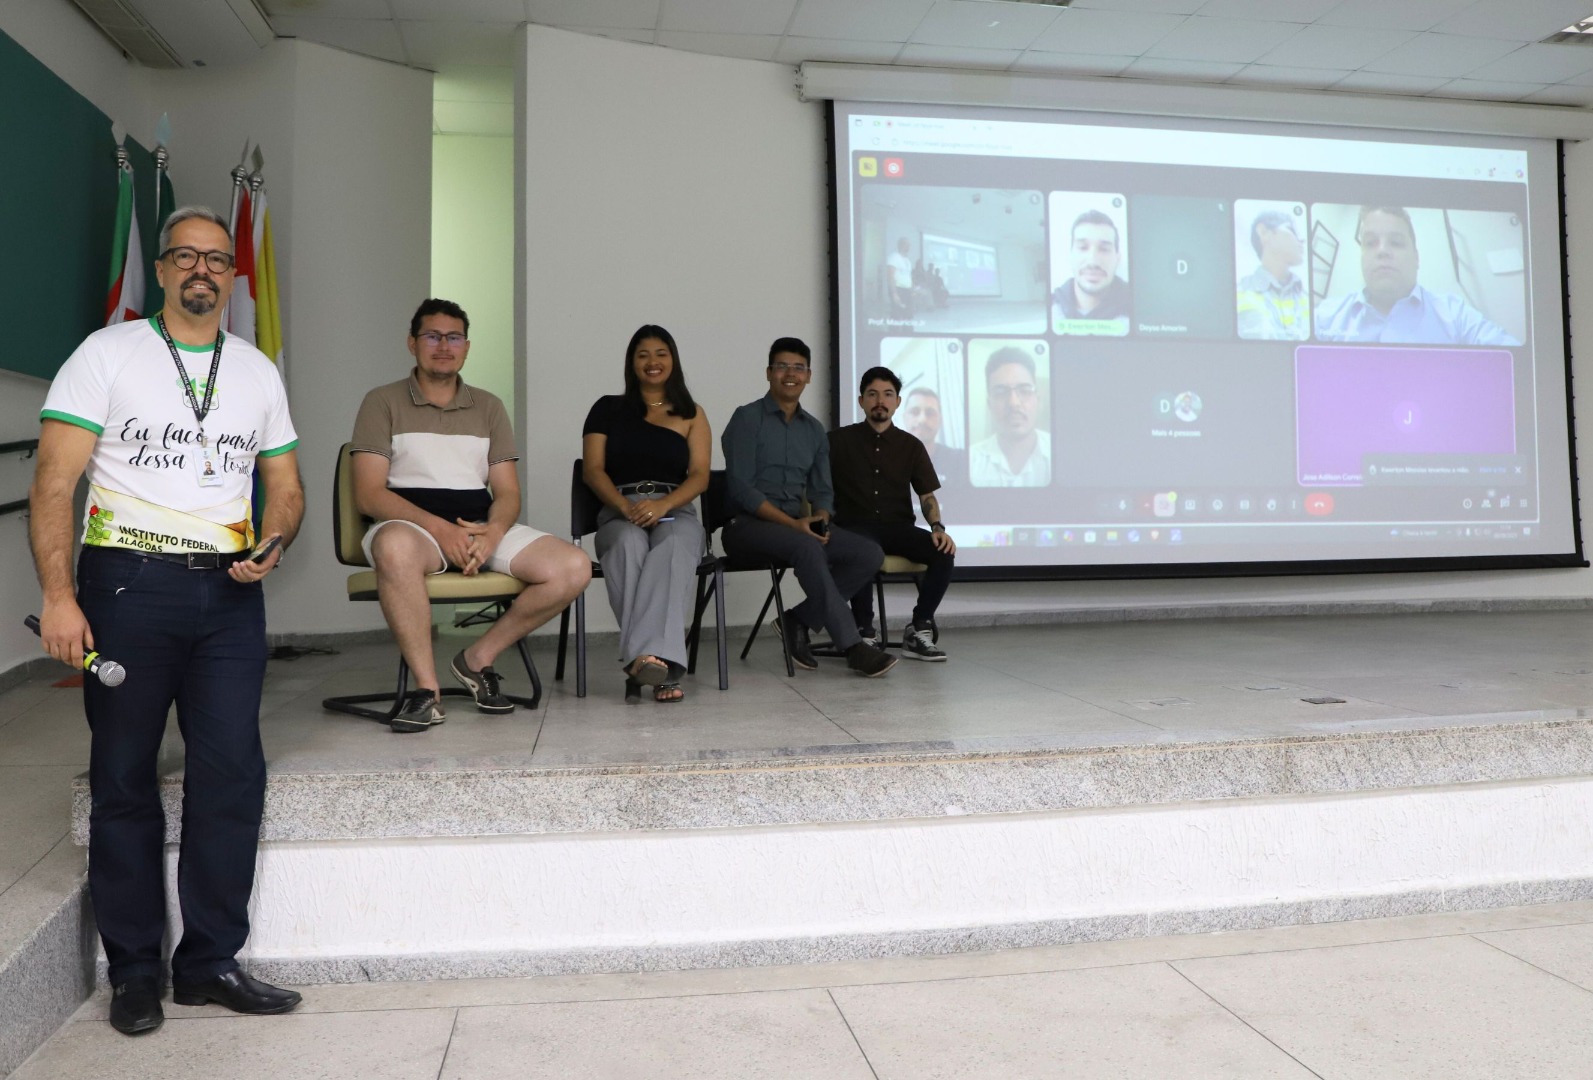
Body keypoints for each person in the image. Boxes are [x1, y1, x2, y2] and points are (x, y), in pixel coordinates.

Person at [29, 206, 305, 1035]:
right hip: (124, 586)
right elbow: (51, 484)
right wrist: (58, 595)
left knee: (231, 774)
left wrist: (277, 537)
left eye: (216, 259)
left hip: (228, 595)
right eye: (185, 256)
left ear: (232, 274)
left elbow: (283, 485)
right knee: (123, 778)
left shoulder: (256, 371)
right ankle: (135, 972)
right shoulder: (106, 355)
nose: (201, 270)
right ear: (160, 268)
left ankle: (210, 962)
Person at [350, 298, 589, 733]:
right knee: (394, 546)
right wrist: (440, 530)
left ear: (467, 346)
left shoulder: (489, 407)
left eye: (454, 337)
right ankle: (427, 692)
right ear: (412, 343)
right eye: (432, 336)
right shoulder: (380, 402)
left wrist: (494, 533)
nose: (444, 346)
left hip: (478, 525)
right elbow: (368, 494)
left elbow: (508, 492)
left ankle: (476, 660)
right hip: (411, 528)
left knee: (573, 567)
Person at [720, 337, 897, 677]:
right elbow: (741, 489)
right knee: (805, 545)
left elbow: (822, 490)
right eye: (783, 366)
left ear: (809, 376)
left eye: (799, 368)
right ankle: (853, 646)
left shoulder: (814, 430)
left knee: (868, 554)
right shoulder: (746, 419)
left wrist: (821, 519)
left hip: (795, 528)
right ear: (769, 373)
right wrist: (795, 525)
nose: (791, 374)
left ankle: (797, 620)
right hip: (745, 528)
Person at [581, 325, 710, 703]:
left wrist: (663, 505)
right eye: (643, 355)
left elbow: (700, 476)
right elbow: (593, 470)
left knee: (671, 548)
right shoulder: (607, 408)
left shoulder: (692, 414)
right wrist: (626, 508)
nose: (652, 362)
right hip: (620, 510)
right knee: (627, 545)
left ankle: (645, 661)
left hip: (675, 510)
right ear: (631, 363)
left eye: (661, 353)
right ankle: (661, 668)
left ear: (673, 360)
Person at [829, 367, 956, 660]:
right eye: (872, 394)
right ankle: (863, 632)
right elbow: (818, 487)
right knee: (863, 551)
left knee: (943, 551)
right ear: (861, 401)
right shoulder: (837, 441)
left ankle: (919, 627)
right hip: (853, 527)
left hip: (897, 528)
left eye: (887, 395)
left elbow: (926, 495)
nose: (880, 402)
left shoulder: (911, 446)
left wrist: (937, 526)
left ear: (897, 402)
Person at [1314, 205, 1519, 346]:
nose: (1382, 251)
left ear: (1416, 258)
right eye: (1370, 243)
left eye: (1396, 242)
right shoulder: (1324, 317)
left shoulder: (1456, 314)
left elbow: (1513, 360)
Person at [969, 347, 1051, 488]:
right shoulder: (971, 461)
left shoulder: (1060, 454)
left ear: (1038, 400)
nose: (1014, 403)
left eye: (1024, 391)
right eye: (1001, 392)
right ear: (990, 405)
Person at [1052, 209, 1131, 333]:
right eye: (1083, 248)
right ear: (1070, 256)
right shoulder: (1048, 311)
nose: (1093, 261)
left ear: (1117, 259)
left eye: (1104, 249)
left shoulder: (1141, 311)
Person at [1236, 209, 1310, 341]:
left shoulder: (1309, 300)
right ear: (1264, 233)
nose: (1302, 240)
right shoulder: (1238, 295)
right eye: (1292, 230)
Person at [902, 386, 967, 492]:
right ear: (904, 418)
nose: (922, 419)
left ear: (940, 421)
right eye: (915, 412)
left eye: (930, 413)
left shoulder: (960, 460)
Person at [885, 237, 915, 316]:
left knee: (908, 316)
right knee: (897, 315)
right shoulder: (894, 257)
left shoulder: (907, 260)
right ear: (900, 245)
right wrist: (894, 293)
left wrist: (912, 290)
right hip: (898, 290)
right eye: (906, 244)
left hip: (907, 291)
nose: (908, 247)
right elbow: (890, 276)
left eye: (909, 245)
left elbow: (908, 277)